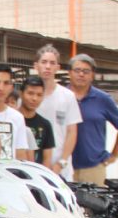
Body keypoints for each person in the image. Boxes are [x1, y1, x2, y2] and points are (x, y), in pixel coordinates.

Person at [68, 53, 118, 186]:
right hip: (65, 166)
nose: (81, 74)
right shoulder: (62, 96)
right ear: (70, 73)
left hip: (93, 168)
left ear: (92, 75)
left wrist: (114, 156)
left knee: (94, 206)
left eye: (86, 71)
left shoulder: (103, 99)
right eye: (77, 70)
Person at [33, 44, 82, 179]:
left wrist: (61, 163)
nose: (48, 66)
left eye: (52, 63)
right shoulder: (27, 97)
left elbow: (72, 132)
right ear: (36, 66)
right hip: (34, 168)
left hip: (60, 169)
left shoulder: (67, 96)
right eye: (44, 62)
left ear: (58, 68)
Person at [0, 64, 29, 160]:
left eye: (6, 83)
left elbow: (20, 154)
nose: (0, 88)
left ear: (11, 88)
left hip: (8, 173)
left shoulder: (17, 117)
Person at [18, 76, 55, 168]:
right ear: (21, 93)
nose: (34, 98)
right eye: (30, 93)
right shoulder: (12, 120)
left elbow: (47, 159)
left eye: (39, 95)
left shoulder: (45, 125)